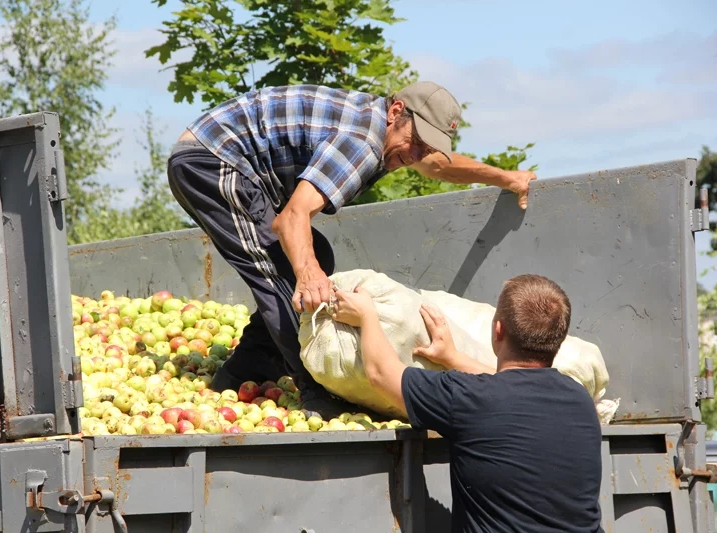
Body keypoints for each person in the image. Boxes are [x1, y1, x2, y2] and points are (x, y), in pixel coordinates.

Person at [166, 80, 537, 418]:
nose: (417, 154)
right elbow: (292, 217)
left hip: (222, 158)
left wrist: (507, 177)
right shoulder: (362, 143)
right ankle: (314, 389)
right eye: (416, 140)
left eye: (427, 146)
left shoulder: (387, 132)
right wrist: (308, 275)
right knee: (282, 274)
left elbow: (439, 166)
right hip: (213, 159)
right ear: (396, 112)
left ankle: (248, 366)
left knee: (316, 255)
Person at [331, 274, 603, 533]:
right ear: (557, 340)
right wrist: (452, 357)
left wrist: (367, 315)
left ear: (498, 331)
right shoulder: (580, 400)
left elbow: (381, 373)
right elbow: (512, 385)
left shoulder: (468, 398)